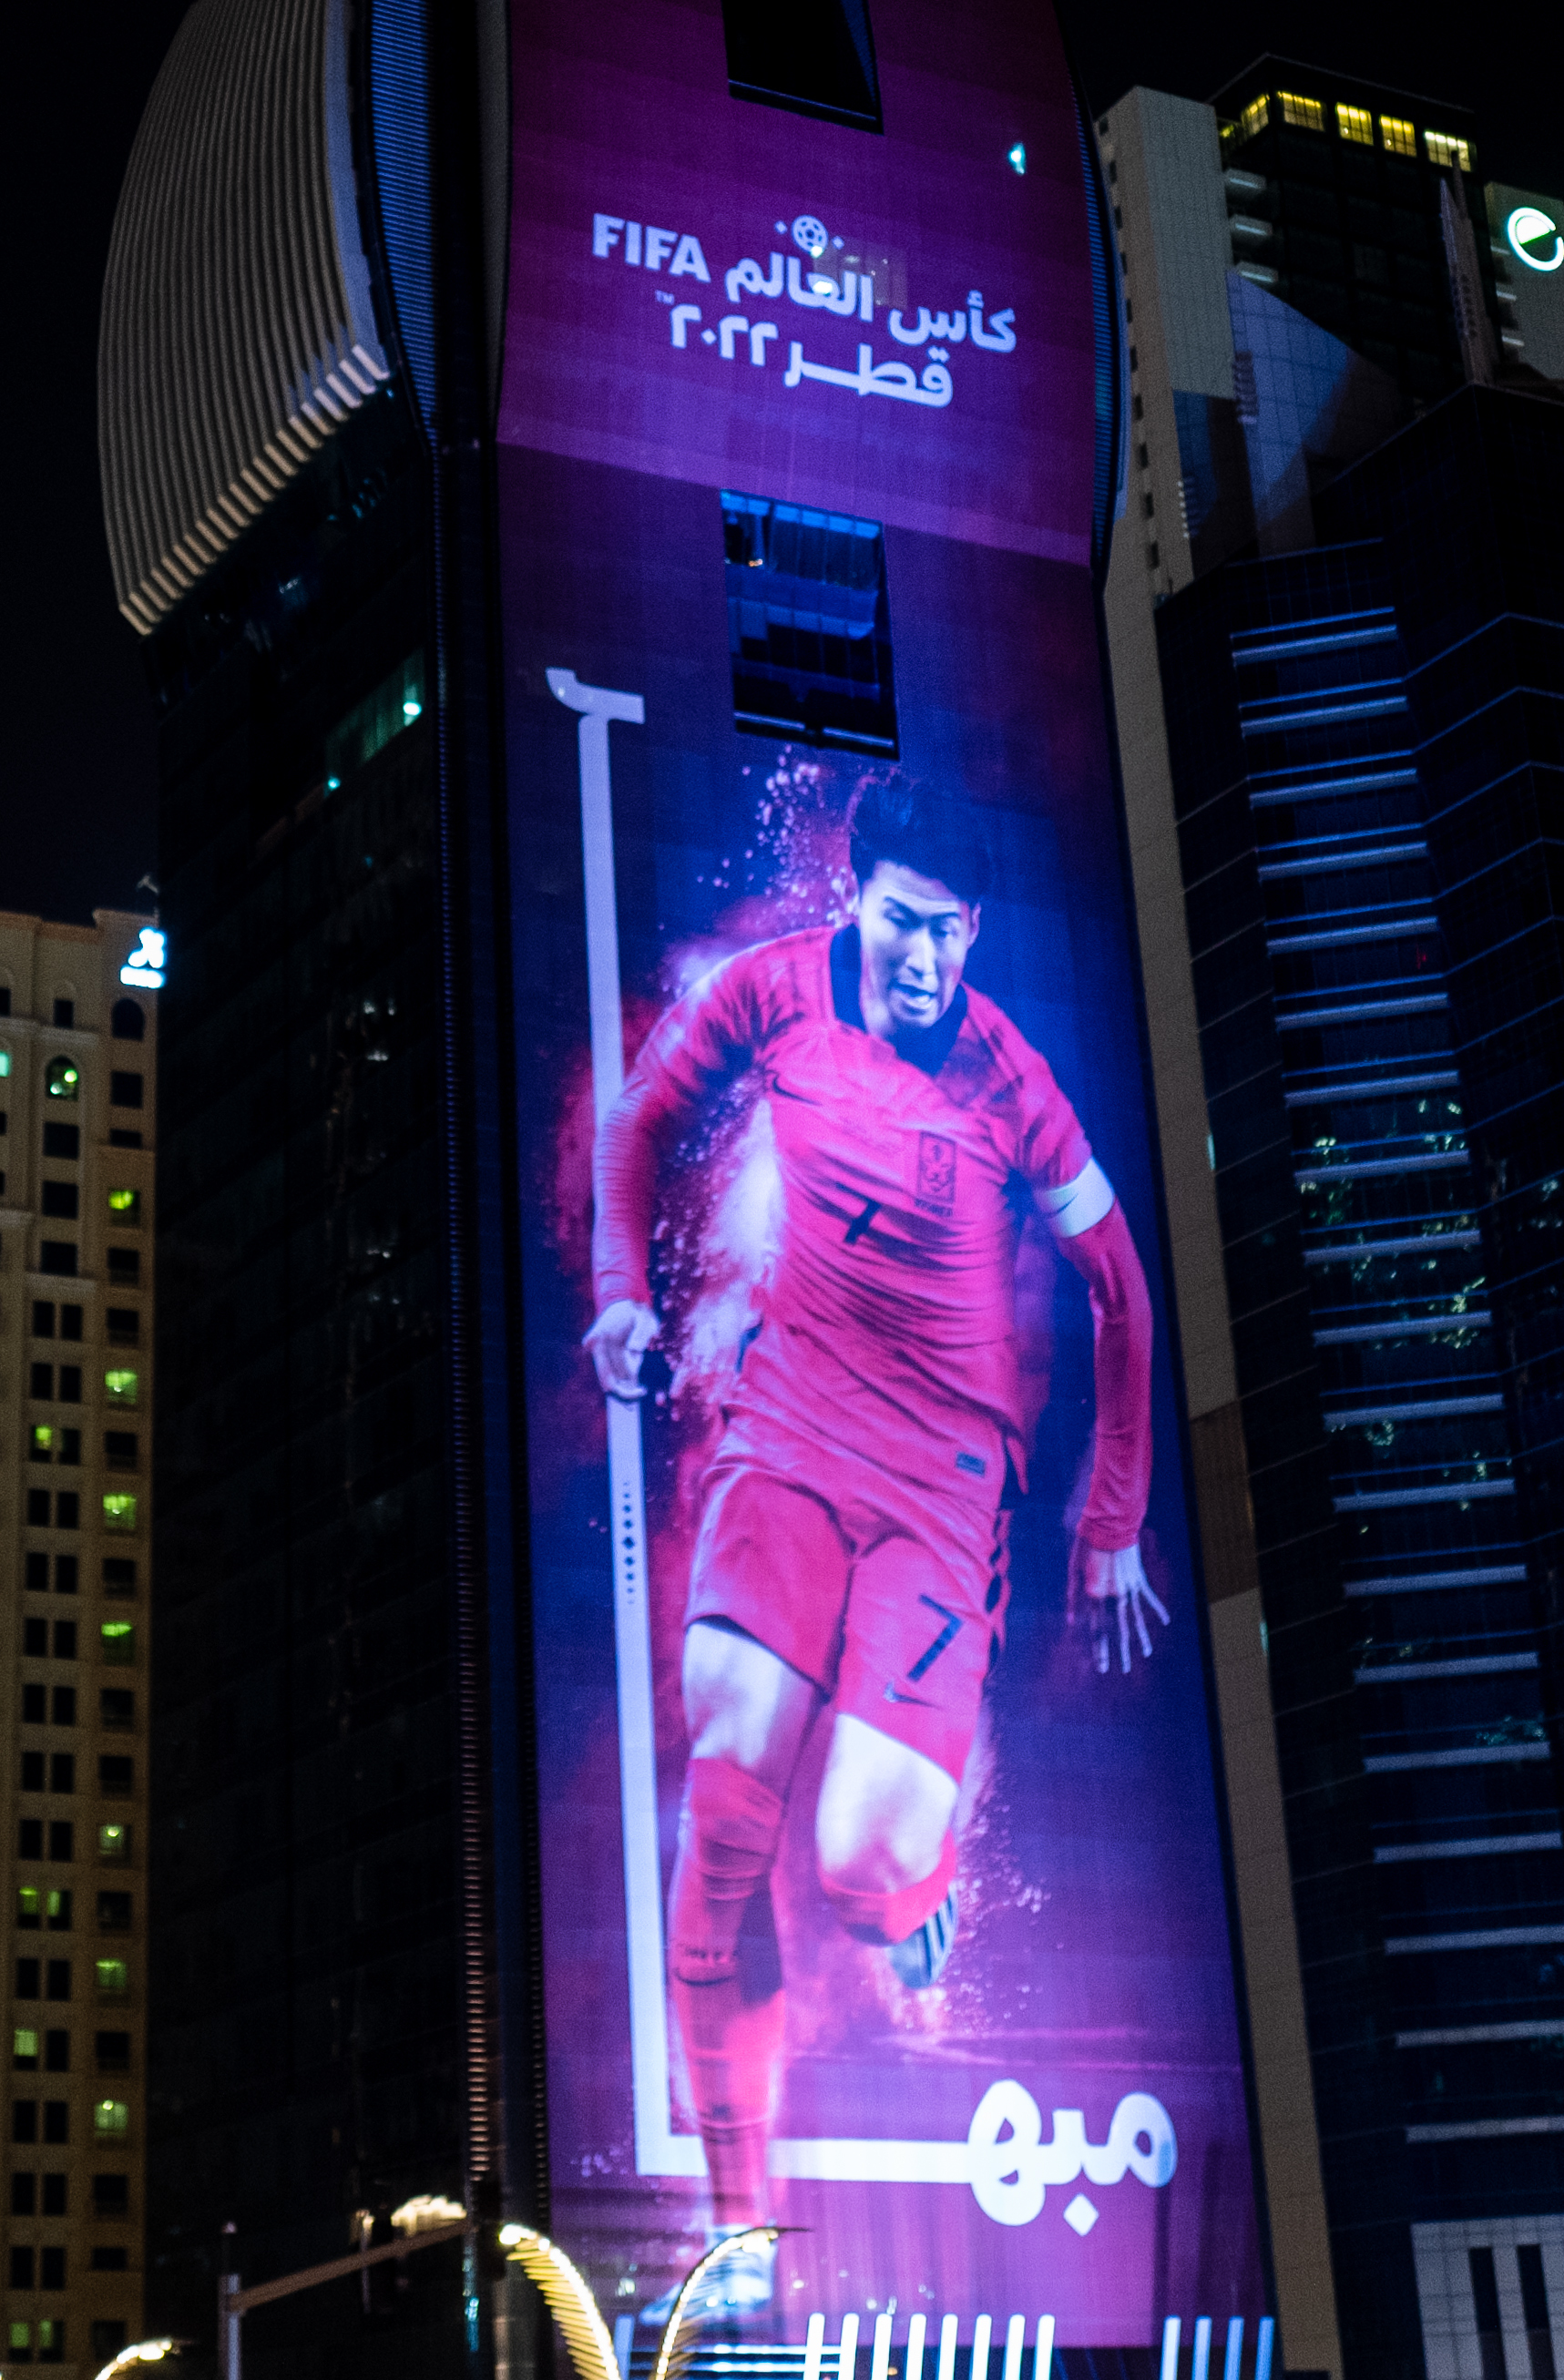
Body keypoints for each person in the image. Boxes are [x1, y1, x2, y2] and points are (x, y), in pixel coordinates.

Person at [586, 771, 1162, 2242]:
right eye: (906, 924)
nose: (927, 961)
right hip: (783, 1439)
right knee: (718, 1822)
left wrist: (1110, 1518)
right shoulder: (773, 992)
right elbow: (640, 1117)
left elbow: (1122, 1293)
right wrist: (618, 1298)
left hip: (939, 1484)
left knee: (852, 1863)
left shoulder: (1008, 1078)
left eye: (955, 936)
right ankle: (737, 2242)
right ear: (857, 893)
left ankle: (914, 1904)